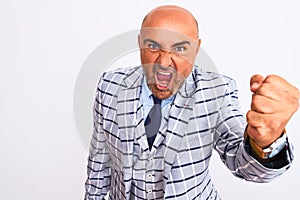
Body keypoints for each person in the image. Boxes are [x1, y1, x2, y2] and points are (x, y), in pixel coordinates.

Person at [85, 5, 299, 200]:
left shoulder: (217, 91)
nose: (164, 62)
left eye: (179, 48)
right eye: (153, 46)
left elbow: (244, 164)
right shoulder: (109, 85)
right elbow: (99, 164)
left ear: (196, 48)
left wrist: (265, 142)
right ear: (140, 43)